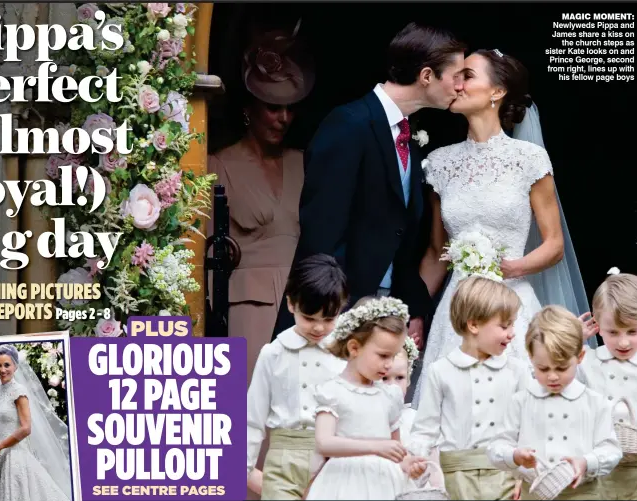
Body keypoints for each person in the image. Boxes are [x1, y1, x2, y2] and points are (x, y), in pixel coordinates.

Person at [413, 48, 592, 405]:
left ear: (497, 92)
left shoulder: (529, 159)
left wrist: (512, 267)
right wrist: (414, 312)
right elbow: (437, 253)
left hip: (512, 301)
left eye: (468, 76)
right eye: (457, 77)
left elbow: (554, 243)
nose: (457, 84)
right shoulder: (439, 163)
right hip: (458, 308)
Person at [272, 22, 467, 344]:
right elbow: (322, 232)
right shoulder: (348, 125)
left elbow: (398, 232)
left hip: (387, 311)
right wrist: (333, 317)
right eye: (457, 75)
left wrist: (411, 307)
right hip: (334, 312)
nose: (460, 86)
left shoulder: (408, 136)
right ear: (427, 76)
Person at [208, 21, 315, 384]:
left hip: (306, 309)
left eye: (289, 108)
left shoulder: (305, 162)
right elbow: (202, 253)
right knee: (251, 415)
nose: (283, 118)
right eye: (273, 107)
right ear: (249, 108)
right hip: (247, 312)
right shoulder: (217, 165)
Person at [408, 276, 531, 500]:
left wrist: (524, 475)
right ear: (473, 324)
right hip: (456, 478)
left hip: (505, 475)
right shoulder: (442, 371)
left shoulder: (517, 371)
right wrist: (416, 459)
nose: (512, 333)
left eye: (512, 324)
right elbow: (425, 429)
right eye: (504, 326)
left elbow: (529, 427)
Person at [487, 306, 622, 500]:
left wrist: (586, 462)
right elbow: (496, 446)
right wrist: (514, 455)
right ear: (531, 358)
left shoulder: (595, 402)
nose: (552, 376)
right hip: (533, 493)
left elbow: (611, 450)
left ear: (580, 357)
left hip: (583, 494)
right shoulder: (520, 401)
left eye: (561, 368)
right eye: (543, 368)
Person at [246, 254, 348, 500]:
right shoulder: (273, 353)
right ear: (291, 304)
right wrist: (245, 470)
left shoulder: (347, 354)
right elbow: (253, 418)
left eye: (328, 319)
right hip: (283, 459)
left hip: (334, 463)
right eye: (309, 318)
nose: (318, 328)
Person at [305, 296, 427, 500]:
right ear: (354, 348)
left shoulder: (390, 396)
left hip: (385, 483)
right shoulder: (333, 391)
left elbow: (397, 452)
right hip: (344, 483)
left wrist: (409, 465)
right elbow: (324, 443)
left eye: (393, 355)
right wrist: (375, 447)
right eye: (383, 356)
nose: (389, 364)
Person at [578, 269, 637, 500]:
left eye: (633, 331)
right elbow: (552, 376)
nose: (624, 341)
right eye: (613, 332)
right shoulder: (587, 361)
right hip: (600, 468)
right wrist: (573, 340)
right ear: (597, 325)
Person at [0, 344, 72, 501]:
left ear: (15, 366)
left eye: (6, 365)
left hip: (16, 456)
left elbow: (26, 428)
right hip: (1, 460)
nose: (2, 370)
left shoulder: (19, 391)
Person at [382, 338, 420, 444]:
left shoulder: (416, 421)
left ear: (408, 379)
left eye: (399, 378)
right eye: (384, 378)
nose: (393, 386)